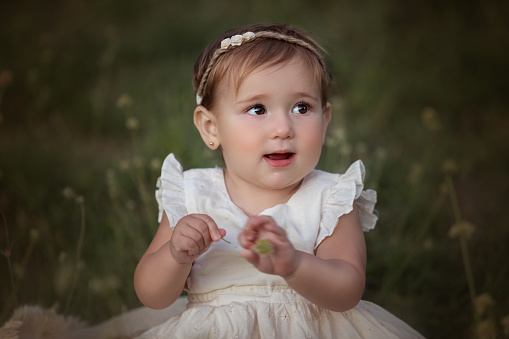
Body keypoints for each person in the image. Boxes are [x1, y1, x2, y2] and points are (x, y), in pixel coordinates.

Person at [133, 23, 424, 338]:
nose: (283, 128)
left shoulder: (330, 197)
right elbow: (152, 295)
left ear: (325, 121)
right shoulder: (193, 194)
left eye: (302, 107)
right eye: (257, 109)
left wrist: (295, 266)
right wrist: (175, 254)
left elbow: (347, 290)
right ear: (211, 128)